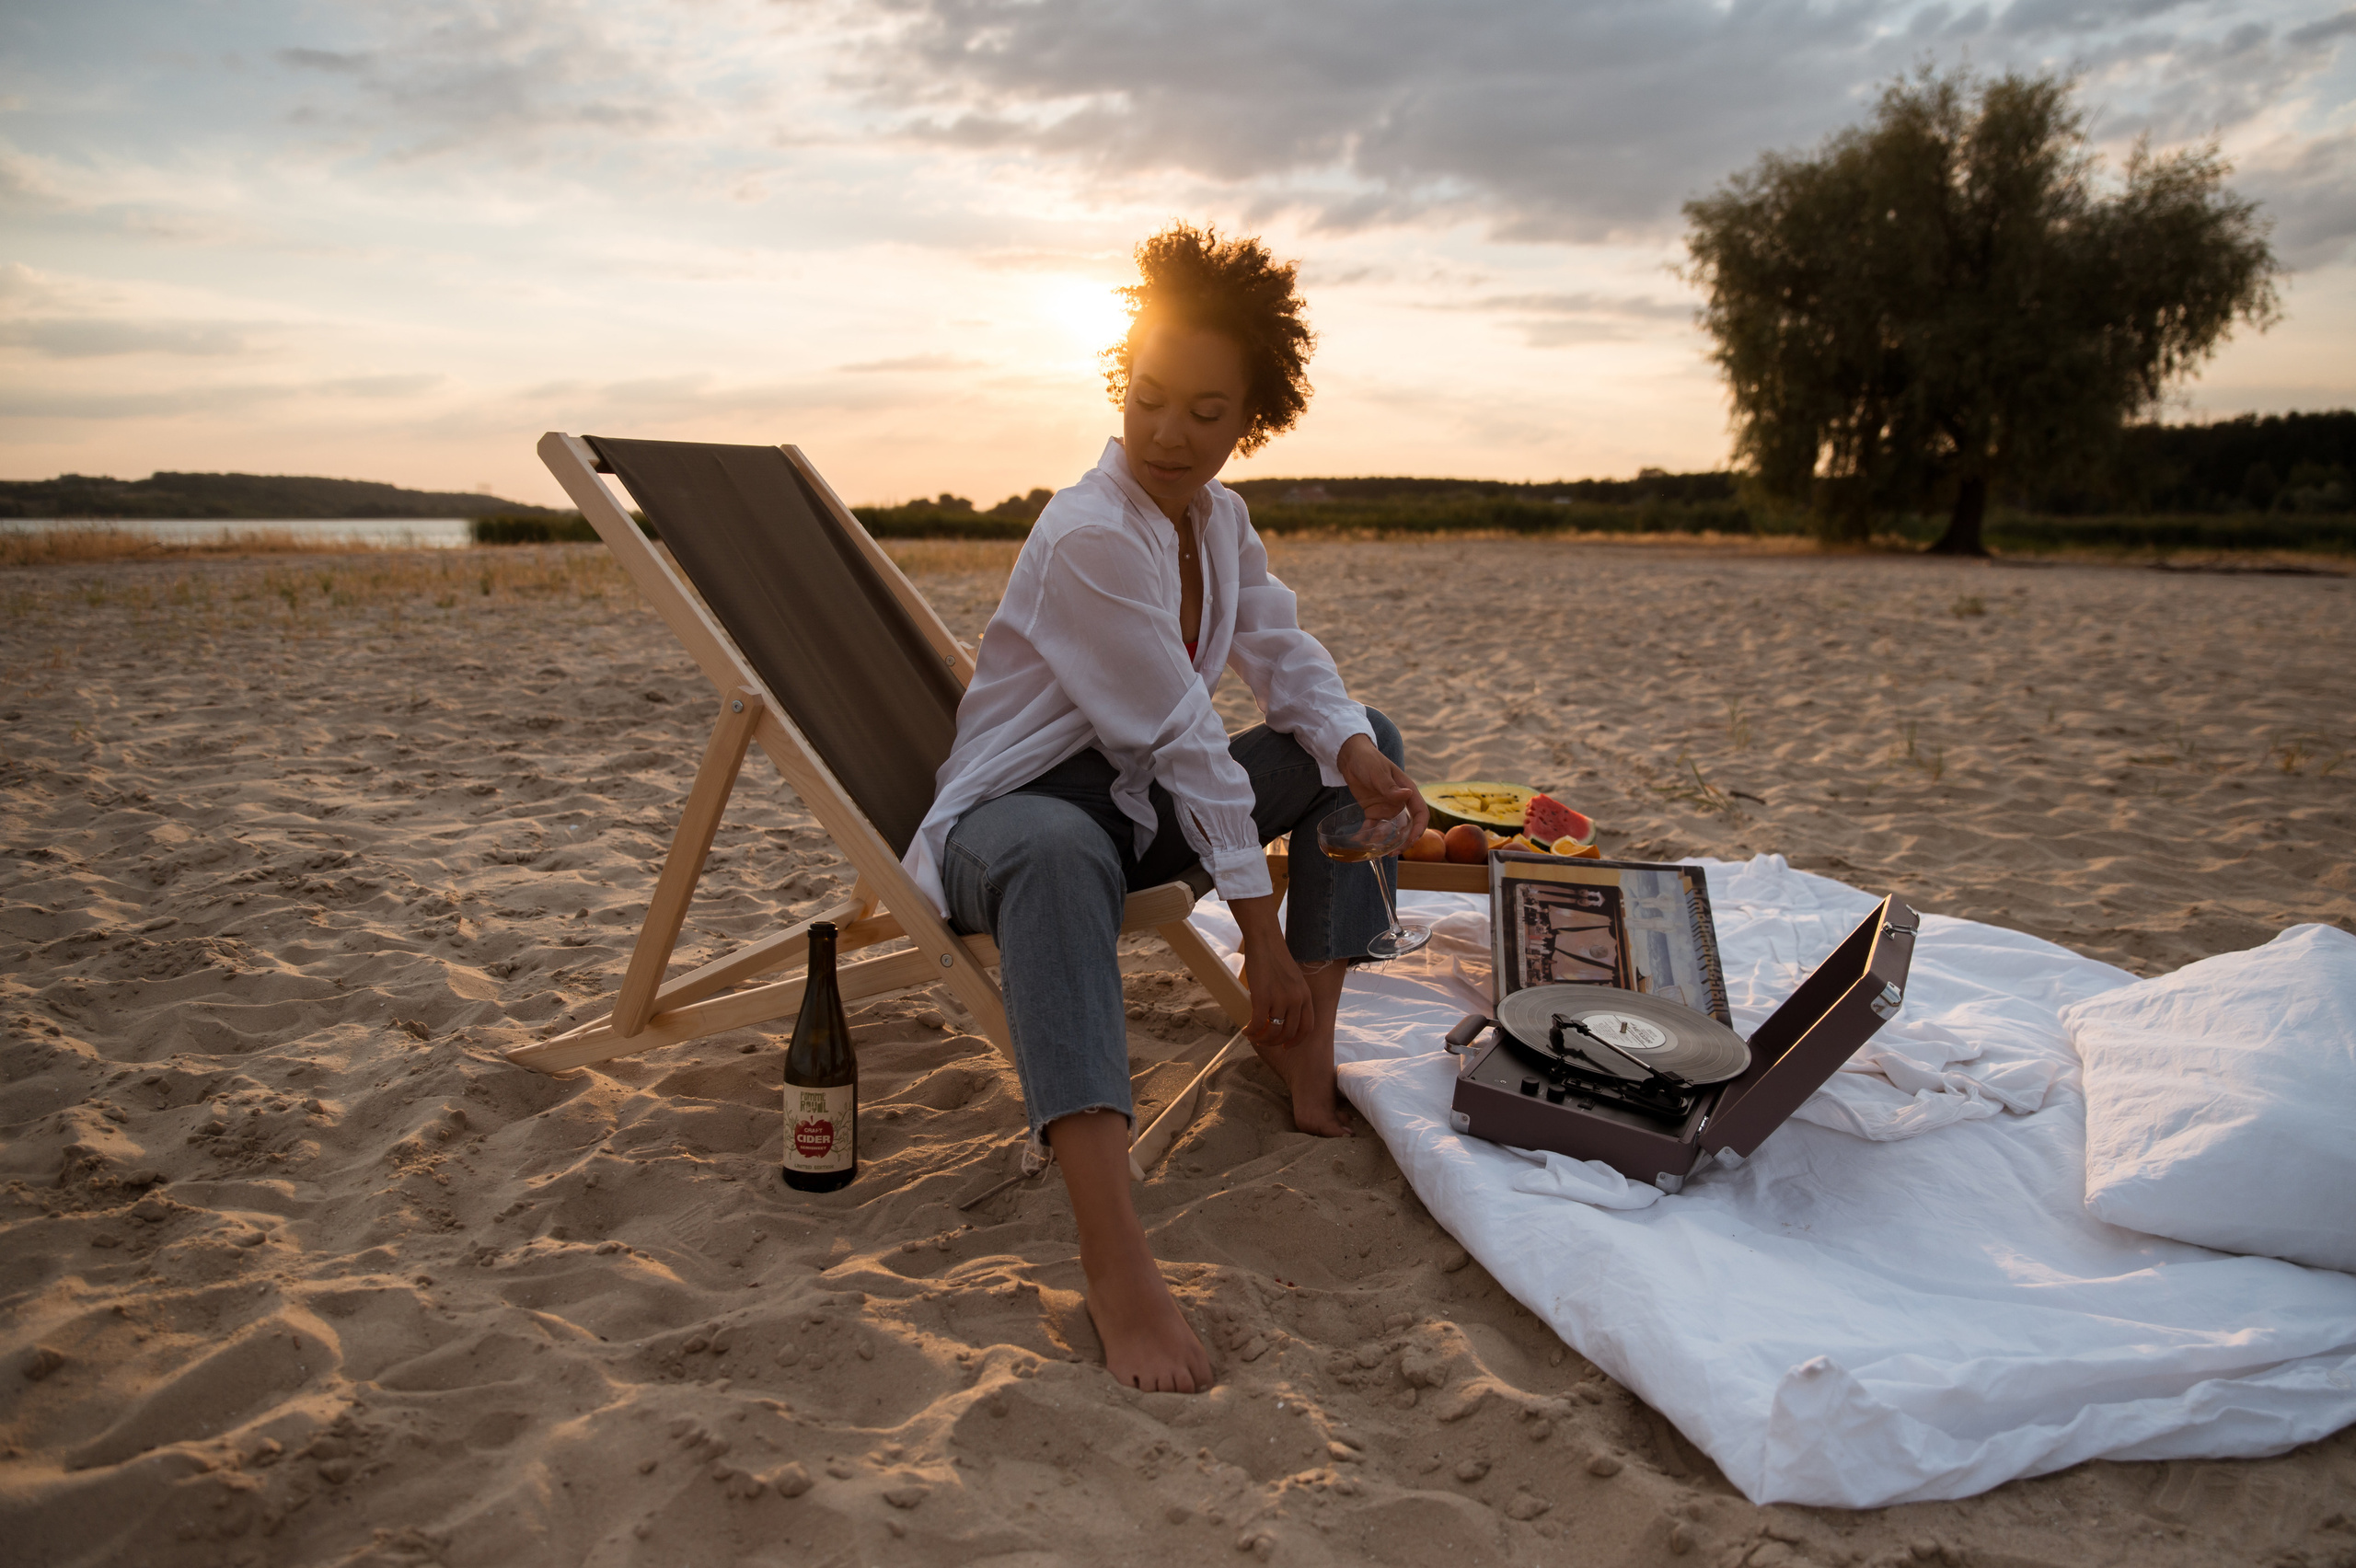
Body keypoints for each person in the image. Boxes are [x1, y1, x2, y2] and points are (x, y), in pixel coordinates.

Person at [901, 224, 1427, 1393]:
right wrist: (1253, 936)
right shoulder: (1093, 533)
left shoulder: (1219, 523)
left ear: (1252, 416)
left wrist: (1351, 751)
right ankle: (1114, 1251)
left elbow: (1282, 660)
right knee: (1053, 854)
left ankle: (1306, 1051)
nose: (1166, 432)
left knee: (1365, 745)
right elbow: (1181, 733)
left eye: (1203, 410)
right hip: (1019, 812)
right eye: (1146, 398)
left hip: (1136, 808)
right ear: (1116, 386)